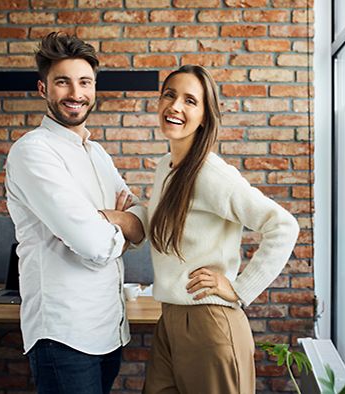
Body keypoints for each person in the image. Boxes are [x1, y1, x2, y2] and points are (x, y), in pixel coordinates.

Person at [105, 65, 300, 393]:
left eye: (190, 100)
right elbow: (163, 221)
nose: (175, 106)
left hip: (210, 323)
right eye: (169, 95)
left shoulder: (211, 173)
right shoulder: (166, 167)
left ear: (205, 116)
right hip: (170, 319)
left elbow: (283, 226)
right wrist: (122, 217)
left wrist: (240, 289)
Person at [4, 32, 144, 394]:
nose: (75, 93)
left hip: (110, 330)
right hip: (63, 335)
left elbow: (142, 220)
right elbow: (93, 244)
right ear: (43, 89)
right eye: (62, 82)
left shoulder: (98, 154)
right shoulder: (33, 152)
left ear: (95, 88)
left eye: (84, 82)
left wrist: (120, 219)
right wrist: (118, 225)